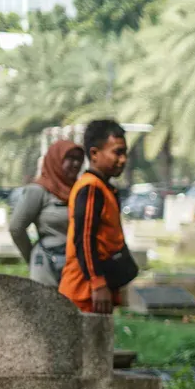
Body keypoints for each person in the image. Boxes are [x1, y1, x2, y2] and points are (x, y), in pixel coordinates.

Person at [60, 120, 135, 314]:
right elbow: (84, 239)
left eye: (125, 153)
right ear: (94, 154)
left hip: (96, 290)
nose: (123, 160)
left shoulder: (104, 187)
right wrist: (97, 283)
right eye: (117, 152)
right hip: (84, 291)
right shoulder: (91, 188)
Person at [8, 140, 84, 286]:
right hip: (47, 267)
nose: (75, 164)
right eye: (70, 158)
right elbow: (16, 228)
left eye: (79, 159)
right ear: (55, 160)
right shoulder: (38, 191)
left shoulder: (80, 191)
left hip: (75, 266)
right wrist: (33, 257)